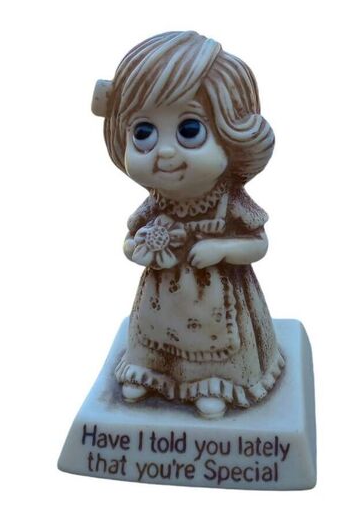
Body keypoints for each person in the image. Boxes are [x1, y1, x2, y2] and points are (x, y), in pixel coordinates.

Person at [94, 31, 284, 418]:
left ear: (232, 135)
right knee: (152, 338)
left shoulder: (229, 201)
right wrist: (139, 247)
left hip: (217, 301)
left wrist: (221, 249)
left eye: (189, 130)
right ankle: (148, 372)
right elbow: (130, 240)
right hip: (161, 301)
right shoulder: (157, 203)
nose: (165, 152)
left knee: (214, 349)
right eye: (143, 133)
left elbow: (258, 243)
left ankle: (213, 383)